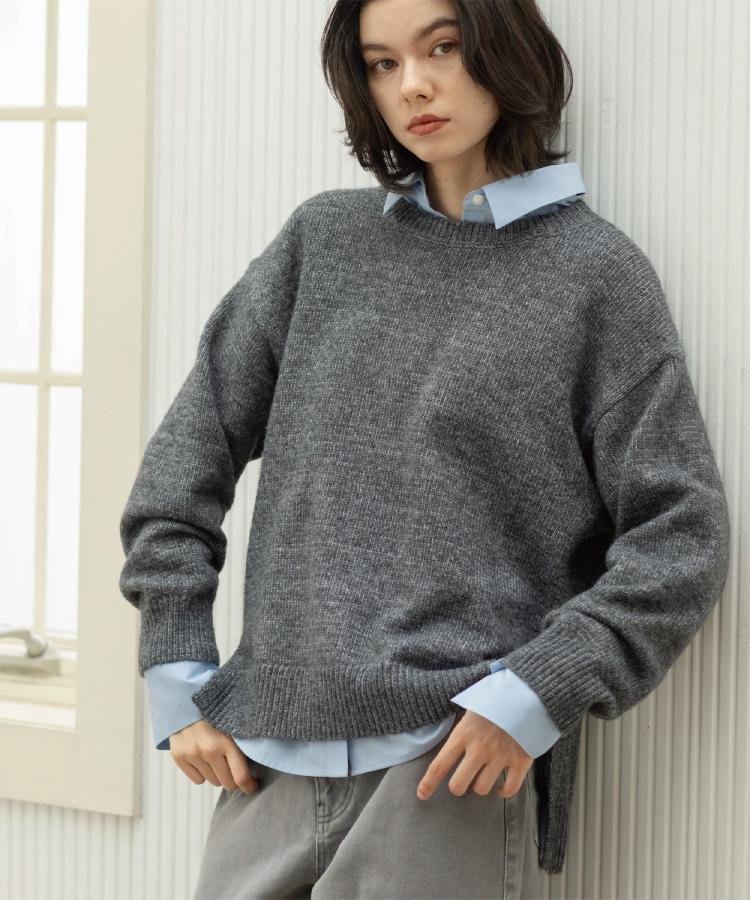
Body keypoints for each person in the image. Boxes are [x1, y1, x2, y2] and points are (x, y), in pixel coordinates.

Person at [118, 1, 731, 898]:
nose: (413, 85)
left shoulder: (596, 277)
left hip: (447, 773)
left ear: (502, 48)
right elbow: (183, 464)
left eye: (442, 47)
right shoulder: (321, 244)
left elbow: (682, 537)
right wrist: (176, 669)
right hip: (265, 763)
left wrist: (535, 693)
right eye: (382, 62)